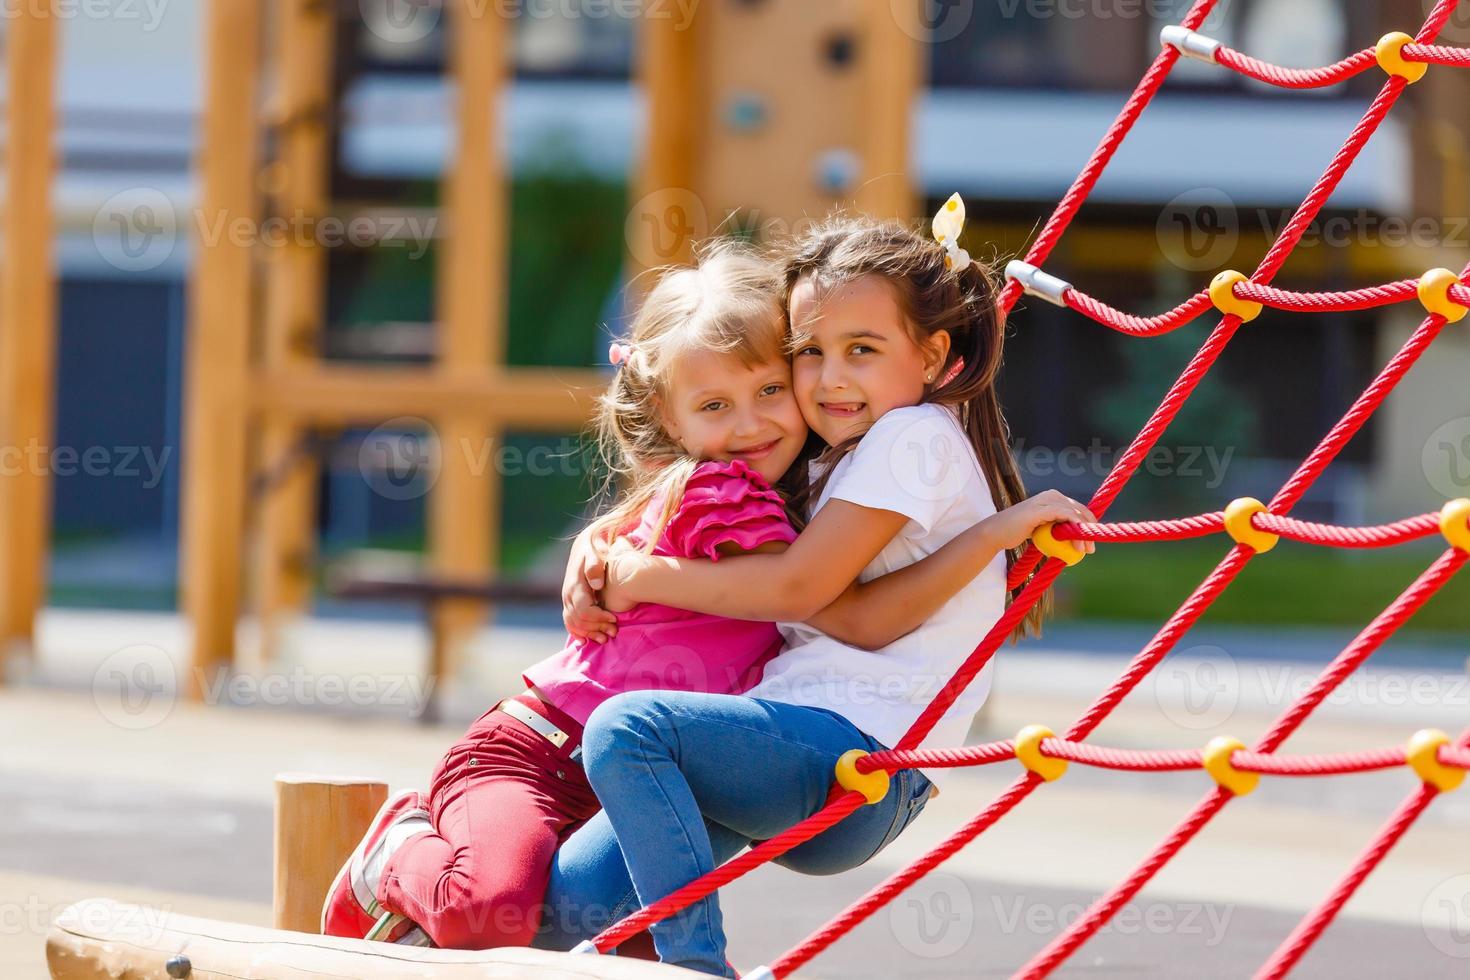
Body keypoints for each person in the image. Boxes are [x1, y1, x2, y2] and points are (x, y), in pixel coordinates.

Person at [538, 196, 1096, 976]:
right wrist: (597, 550)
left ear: (933, 357)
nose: (830, 379)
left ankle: (697, 968)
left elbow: (803, 591)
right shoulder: (843, 452)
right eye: (809, 351)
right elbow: (850, 612)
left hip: (849, 750)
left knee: (630, 730)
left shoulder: (910, 436)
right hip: (796, 749)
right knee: (561, 905)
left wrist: (644, 578)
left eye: (861, 350)